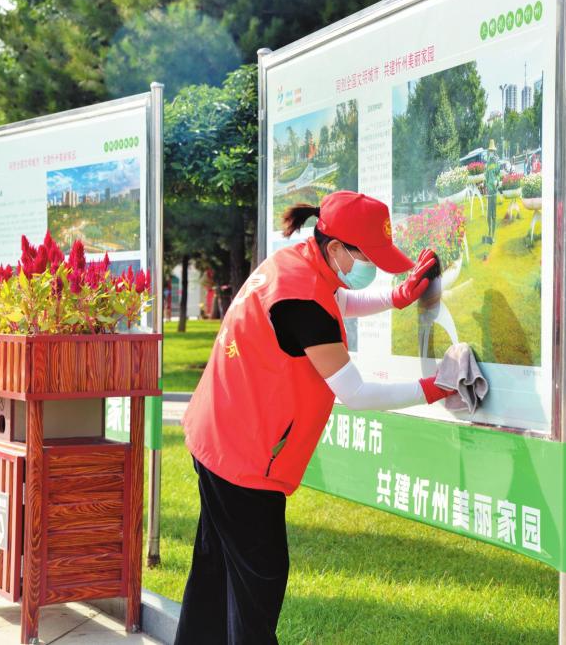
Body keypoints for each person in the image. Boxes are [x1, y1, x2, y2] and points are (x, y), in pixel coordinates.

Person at [175, 191, 456, 645]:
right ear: (337, 248)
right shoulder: (303, 300)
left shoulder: (296, 265)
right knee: (259, 584)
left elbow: (336, 302)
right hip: (244, 457)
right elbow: (356, 392)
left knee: (215, 573)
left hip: (217, 435)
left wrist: (396, 297)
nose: (373, 267)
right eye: (369, 257)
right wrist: (432, 387)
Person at [484, 139, 500, 245]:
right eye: (490, 151)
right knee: (488, 215)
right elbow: (486, 176)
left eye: (492, 151)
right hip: (489, 191)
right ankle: (489, 231)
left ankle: (493, 236)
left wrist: (497, 181)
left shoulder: (497, 162)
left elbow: (498, 174)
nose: (491, 153)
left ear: (494, 151)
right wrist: (484, 184)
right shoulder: (487, 163)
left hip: (494, 191)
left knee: (493, 215)